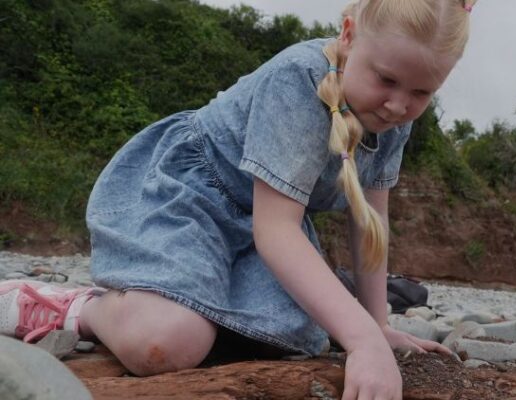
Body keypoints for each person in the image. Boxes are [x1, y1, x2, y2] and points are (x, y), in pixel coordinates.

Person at [0, 0, 476, 398]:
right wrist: (361, 341)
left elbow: (369, 218)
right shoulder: (298, 81)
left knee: (292, 338)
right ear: (349, 35)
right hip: (187, 197)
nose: (398, 105)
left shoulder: (394, 118)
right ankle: (74, 307)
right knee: (167, 344)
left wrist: (377, 327)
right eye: (387, 80)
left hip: (254, 229)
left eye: (421, 92)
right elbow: (277, 230)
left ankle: (176, 296)